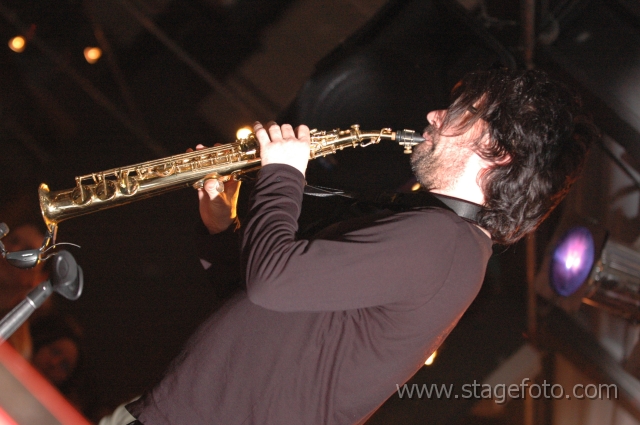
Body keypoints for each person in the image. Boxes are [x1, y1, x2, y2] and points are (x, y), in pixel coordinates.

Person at [125, 67, 597, 424]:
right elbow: (261, 300)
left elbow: (271, 281)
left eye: (461, 111)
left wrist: (284, 172)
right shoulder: (445, 243)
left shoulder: (443, 242)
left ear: (499, 150)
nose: (435, 115)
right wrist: (221, 227)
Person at [0, 222, 50, 359]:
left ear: (40, 279)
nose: (13, 249)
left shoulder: (15, 344)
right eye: (13, 240)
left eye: (27, 251)